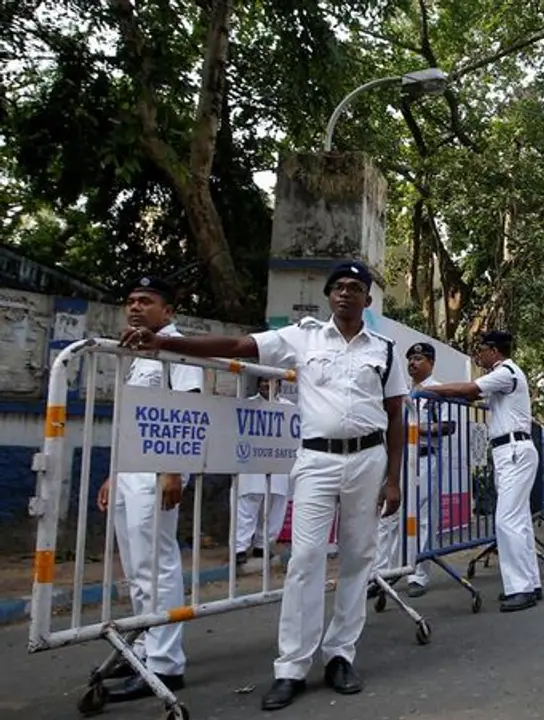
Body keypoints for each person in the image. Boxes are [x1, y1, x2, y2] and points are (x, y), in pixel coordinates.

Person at [119, 260, 408, 710]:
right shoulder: (302, 337)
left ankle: (340, 655)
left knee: (357, 559)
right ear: (328, 296)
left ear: (367, 299)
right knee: (305, 560)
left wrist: (393, 480)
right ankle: (292, 667)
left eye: (355, 287)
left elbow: (395, 415)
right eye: (338, 286)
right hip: (316, 459)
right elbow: (238, 345)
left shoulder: (385, 350)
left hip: (369, 459)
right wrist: (165, 342)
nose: (345, 293)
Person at [95, 275, 204, 703]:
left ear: (168, 311)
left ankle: (165, 664)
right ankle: (143, 646)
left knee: (156, 566)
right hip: (131, 469)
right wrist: (115, 472)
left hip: (159, 470)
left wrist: (173, 469)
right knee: (137, 568)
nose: (135, 307)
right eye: (131, 300)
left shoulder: (177, 347)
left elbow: (187, 407)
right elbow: (133, 419)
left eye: (146, 300)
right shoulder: (138, 352)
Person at [426, 330, 542, 612]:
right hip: (511, 450)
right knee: (519, 520)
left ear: (494, 350)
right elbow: (475, 397)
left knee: (507, 520)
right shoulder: (506, 376)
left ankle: (521, 588)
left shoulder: (505, 372)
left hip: (513, 450)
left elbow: (469, 390)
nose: (479, 354)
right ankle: (530, 583)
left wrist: (431, 390)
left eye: (482, 349)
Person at [371, 341, 455, 599]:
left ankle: (418, 574)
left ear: (431, 363)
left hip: (425, 458)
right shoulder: (402, 391)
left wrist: (415, 429)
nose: (412, 363)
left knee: (423, 518)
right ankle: (382, 574)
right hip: (399, 460)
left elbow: (448, 425)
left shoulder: (438, 390)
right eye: (410, 359)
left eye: (419, 359)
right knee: (389, 515)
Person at [235, 376, 293, 568]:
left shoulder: (290, 408)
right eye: (263, 381)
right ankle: (239, 548)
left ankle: (263, 545)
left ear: (280, 385)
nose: (266, 385)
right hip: (252, 464)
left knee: (275, 506)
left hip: (278, 465)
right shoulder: (247, 405)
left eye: (271, 381)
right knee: (247, 505)